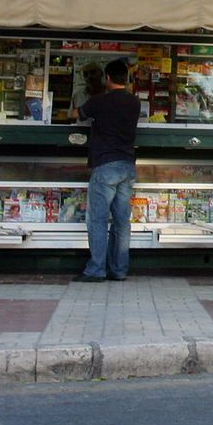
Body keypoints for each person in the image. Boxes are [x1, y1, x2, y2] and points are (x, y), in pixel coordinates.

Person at [75, 58, 140, 282]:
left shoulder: (99, 101)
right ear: (126, 78)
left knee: (98, 220)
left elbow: (75, 114)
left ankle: (96, 270)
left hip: (105, 166)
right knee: (122, 221)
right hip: (127, 165)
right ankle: (119, 270)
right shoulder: (134, 102)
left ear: (108, 78)